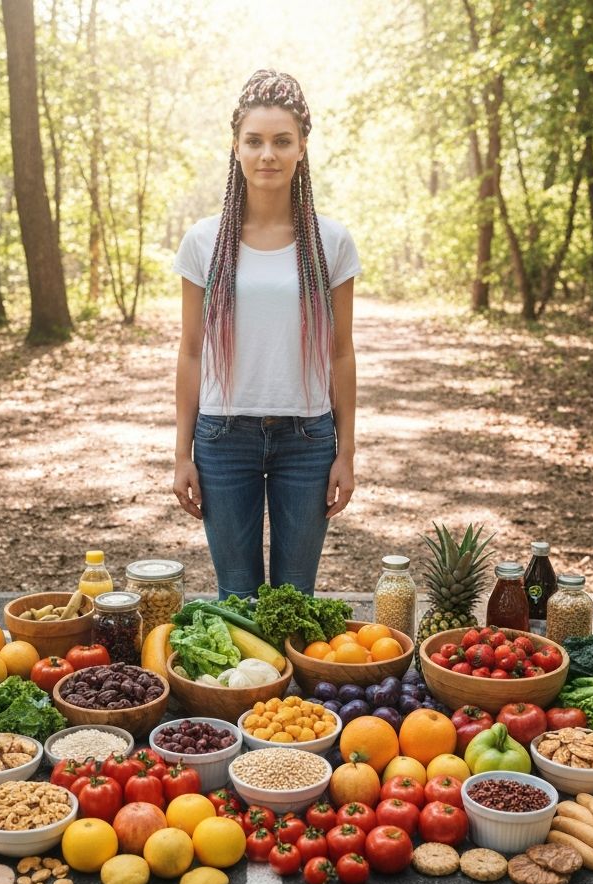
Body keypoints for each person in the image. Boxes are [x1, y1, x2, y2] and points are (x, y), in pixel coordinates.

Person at [172, 69, 361, 600]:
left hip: (307, 440)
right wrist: (180, 452)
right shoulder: (204, 241)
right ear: (236, 148)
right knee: (238, 598)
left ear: (302, 147)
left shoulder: (331, 242)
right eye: (254, 141)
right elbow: (190, 352)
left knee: (295, 597)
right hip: (221, 439)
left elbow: (341, 354)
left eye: (282, 141)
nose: (267, 155)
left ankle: (289, 688)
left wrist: (346, 452)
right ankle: (251, 689)